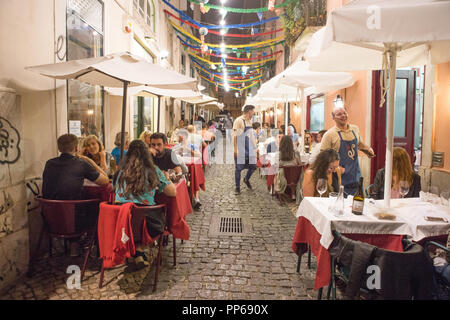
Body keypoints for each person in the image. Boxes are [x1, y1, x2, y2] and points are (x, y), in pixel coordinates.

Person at [42, 134, 109, 255]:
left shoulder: (49, 163)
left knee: (72, 202)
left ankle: (72, 244)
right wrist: (89, 161)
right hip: (75, 221)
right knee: (98, 206)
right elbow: (105, 181)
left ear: (59, 149)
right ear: (77, 148)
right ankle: (90, 245)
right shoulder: (81, 164)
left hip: (51, 219)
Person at [114, 139, 176, 268]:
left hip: (120, 222)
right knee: (144, 216)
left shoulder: (120, 171)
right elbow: (172, 192)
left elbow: (112, 189)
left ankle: (136, 251)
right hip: (148, 223)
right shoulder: (153, 170)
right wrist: (167, 179)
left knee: (134, 217)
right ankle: (138, 250)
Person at [320, 105, 375, 195]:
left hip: (355, 174)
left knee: (356, 203)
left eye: (344, 113)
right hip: (338, 178)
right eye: (339, 114)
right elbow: (322, 156)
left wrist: (368, 149)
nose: (343, 115)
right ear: (333, 118)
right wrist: (334, 167)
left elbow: (359, 144)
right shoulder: (329, 134)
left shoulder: (355, 129)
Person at [233, 105, 257, 195]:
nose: (253, 113)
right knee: (238, 169)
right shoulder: (239, 121)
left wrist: (255, 147)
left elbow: (251, 136)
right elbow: (235, 136)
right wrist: (235, 149)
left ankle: (246, 179)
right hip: (240, 148)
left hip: (249, 148)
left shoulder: (249, 121)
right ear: (249, 111)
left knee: (253, 167)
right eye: (253, 111)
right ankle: (237, 187)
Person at [274, 136, 302, 200]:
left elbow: (275, 166)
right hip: (294, 179)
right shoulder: (296, 153)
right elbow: (299, 165)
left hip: (282, 178)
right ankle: (293, 193)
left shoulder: (278, 154)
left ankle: (278, 191)